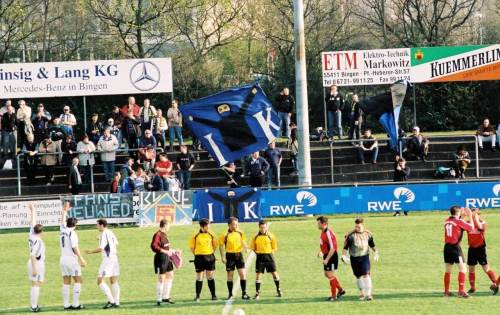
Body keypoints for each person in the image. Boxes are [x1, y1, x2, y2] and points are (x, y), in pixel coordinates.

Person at [85, 219, 121, 309]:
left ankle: (111, 301)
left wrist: (90, 251)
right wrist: (100, 237)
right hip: (115, 258)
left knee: (100, 281)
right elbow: (116, 243)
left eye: (97, 225)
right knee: (114, 280)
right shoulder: (110, 232)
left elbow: (101, 248)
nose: (96, 226)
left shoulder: (104, 233)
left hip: (108, 259)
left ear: (101, 225)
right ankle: (116, 302)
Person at [341, 217, 379, 301]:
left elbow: (372, 244)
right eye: (356, 226)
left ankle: (369, 294)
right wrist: (343, 256)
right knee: (358, 276)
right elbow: (345, 247)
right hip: (354, 258)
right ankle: (362, 293)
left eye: (358, 227)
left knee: (366, 274)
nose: (357, 228)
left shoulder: (368, 234)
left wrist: (376, 252)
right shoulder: (351, 236)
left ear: (362, 225)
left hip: (364, 257)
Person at [60, 201, 87, 310]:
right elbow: (75, 247)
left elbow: (62, 220)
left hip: (62, 259)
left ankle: (66, 304)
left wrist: (65, 211)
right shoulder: (72, 233)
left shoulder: (62, 229)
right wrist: (81, 259)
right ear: (75, 225)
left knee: (66, 281)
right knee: (78, 280)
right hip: (71, 259)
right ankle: (76, 304)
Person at [466, 208, 499, 294]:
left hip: (480, 249)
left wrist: (475, 217)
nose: (473, 216)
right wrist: (466, 215)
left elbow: (479, 227)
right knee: (471, 269)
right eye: (472, 214)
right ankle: (472, 288)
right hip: (471, 249)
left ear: (479, 215)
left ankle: (496, 284)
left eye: (476, 214)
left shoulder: (483, 223)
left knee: (486, 268)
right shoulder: (468, 223)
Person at [443, 206, 474, 298]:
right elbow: (471, 228)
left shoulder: (447, 220)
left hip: (447, 247)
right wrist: (470, 216)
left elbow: (457, 225)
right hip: (455, 247)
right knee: (463, 269)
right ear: (458, 212)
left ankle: (446, 292)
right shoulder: (459, 222)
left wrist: (462, 216)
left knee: (448, 270)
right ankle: (461, 291)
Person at [219, 217, 250, 300]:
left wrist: (246, 247)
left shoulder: (240, 232)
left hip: (239, 255)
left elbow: (243, 241)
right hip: (229, 256)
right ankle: (230, 294)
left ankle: (244, 293)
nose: (236, 226)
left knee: (243, 274)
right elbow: (221, 246)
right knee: (230, 275)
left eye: (237, 224)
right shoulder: (224, 234)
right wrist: (223, 257)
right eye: (234, 224)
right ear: (229, 225)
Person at [189, 218, 219, 302]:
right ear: (202, 226)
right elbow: (192, 247)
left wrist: (210, 253)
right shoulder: (195, 235)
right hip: (199, 258)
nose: (209, 227)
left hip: (210, 257)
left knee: (210, 276)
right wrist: (197, 254)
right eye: (207, 226)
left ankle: (213, 295)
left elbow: (215, 245)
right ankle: (197, 296)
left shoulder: (211, 234)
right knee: (199, 277)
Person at [250, 220, 281, 300]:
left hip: (269, 256)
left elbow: (274, 247)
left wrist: (270, 253)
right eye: (261, 227)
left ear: (266, 227)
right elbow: (253, 248)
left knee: (274, 273)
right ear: (259, 227)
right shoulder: (255, 237)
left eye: (264, 227)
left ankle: (278, 290)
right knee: (258, 275)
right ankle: (257, 293)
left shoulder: (271, 236)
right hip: (260, 257)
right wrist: (258, 253)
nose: (263, 229)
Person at [316, 216, 345, 301]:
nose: (317, 225)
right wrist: (321, 252)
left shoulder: (328, 233)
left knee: (330, 275)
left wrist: (327, 259)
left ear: (324, 224)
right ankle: (340, 290)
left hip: (331, 256)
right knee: (327, 274)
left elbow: (333, 248)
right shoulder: (323, 232)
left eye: (318, 223)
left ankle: (334, 296)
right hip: (327, 255)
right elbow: (325, 245)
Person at [151, 219, 177, 306]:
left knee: (170, 275)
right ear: (165, 225)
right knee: (161, 278)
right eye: (169, 225)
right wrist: (165, 252)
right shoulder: (157, 234)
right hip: (161, 258)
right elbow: (154, 246)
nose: (169, 227)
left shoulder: (164, 235)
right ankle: (159, 299)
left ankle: (166, 297)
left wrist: (175, 251)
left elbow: (167, 248)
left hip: (167, 258)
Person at [27, 204, 45, 313]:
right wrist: (34, 268)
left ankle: (34, 304)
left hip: (34, 263)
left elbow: (32, 222)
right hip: (36, 263)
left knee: (37, 284)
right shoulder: (38, 241)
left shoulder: (31, 235)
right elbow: (33, 255)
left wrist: (33, 210)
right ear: (42, 232)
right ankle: (34, 306)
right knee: (36, 284)